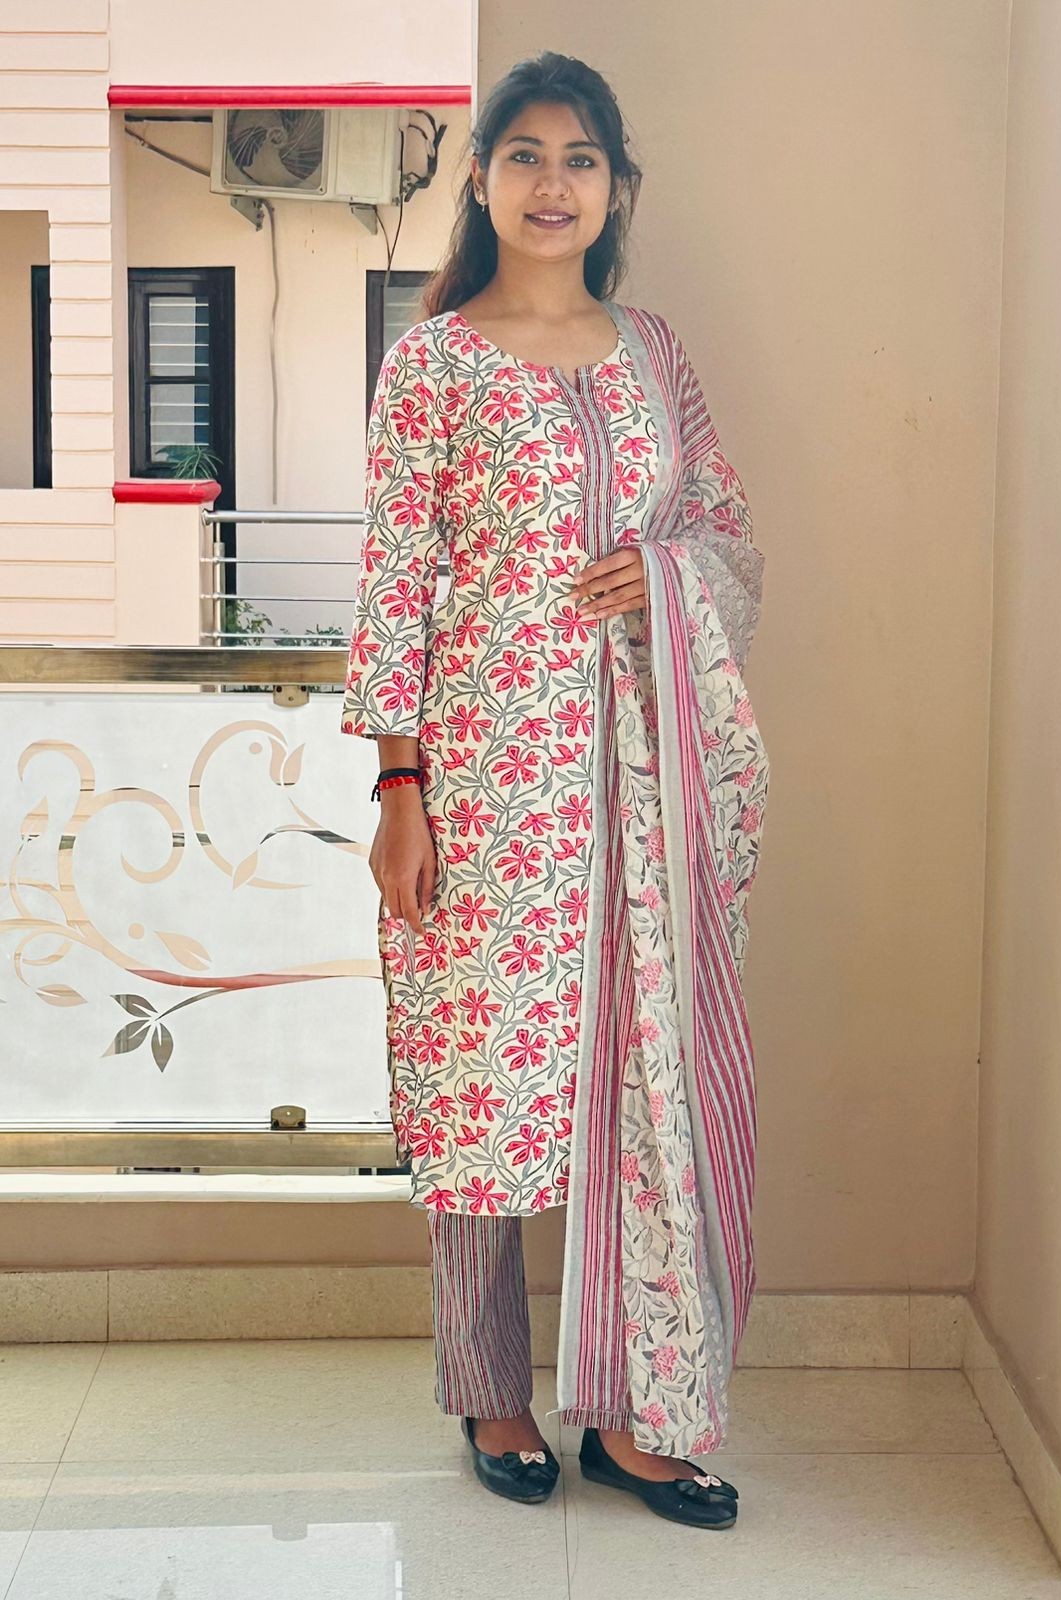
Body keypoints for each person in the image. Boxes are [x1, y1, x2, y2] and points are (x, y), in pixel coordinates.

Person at [342, 49, 769, 1531]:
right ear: (481, 181)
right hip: (487, 782)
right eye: (524, 155)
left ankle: (639, 1416)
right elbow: (396, 584)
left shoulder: (656, 355)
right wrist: (401, 787)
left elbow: (728, 534)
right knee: (482, 1084)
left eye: (580, 159)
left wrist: (665, 577)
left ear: (617, 188)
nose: (551, 184)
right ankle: (492, 1388)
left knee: (643, 1085)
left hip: (642, 783)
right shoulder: (435, 363)